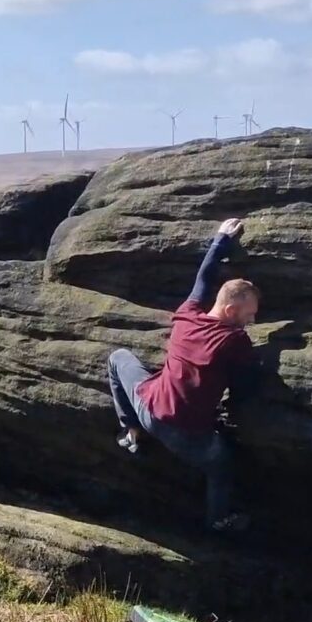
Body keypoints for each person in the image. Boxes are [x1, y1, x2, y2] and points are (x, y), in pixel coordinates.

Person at [106, 217, 259, 532]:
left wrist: (221, 239)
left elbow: (203, 280)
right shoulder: (235, 340)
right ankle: (218, 520)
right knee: (222, 465)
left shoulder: (187, 315)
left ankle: (131, 433)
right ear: (231, 311)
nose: (252, 320)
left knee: (118, 358)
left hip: (148, 408)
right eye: (250, 314)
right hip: (187, 435)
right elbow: (243, 388)